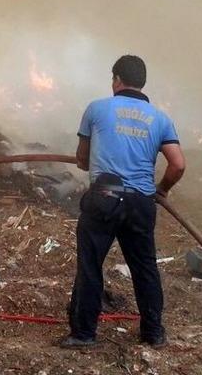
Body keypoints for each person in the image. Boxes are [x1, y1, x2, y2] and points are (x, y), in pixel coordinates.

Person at [61, 55, 186, 349]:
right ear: (142, 83)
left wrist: (88, 161)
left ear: (116, 80)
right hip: (141, 202)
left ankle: (83, 334)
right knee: (145, 269)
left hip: (104, 197)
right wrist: (162, 190)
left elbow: (82, 157)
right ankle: (153, 333)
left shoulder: (97, 108)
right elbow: (177, 165)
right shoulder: (161, 118)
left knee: (90, 266)